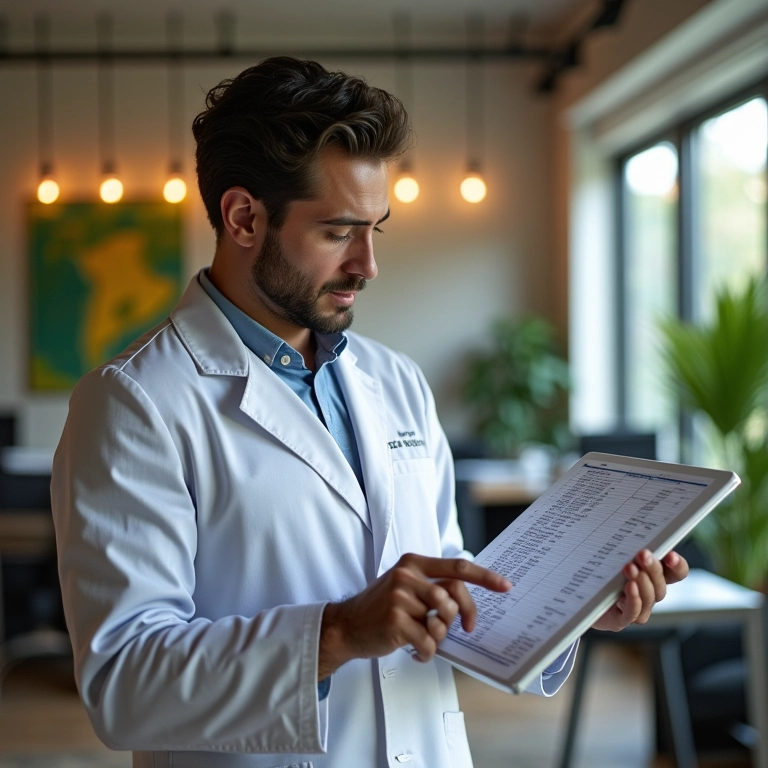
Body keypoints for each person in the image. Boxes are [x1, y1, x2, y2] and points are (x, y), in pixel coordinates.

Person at [51, 57, 689, 768]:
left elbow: (448, 596)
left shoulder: (397, 381)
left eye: (376, 229)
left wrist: (568, 610)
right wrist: (337, 634)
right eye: (338, 232)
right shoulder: (135, 403)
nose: (368, 264)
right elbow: (124, 682)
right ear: (243, 217)